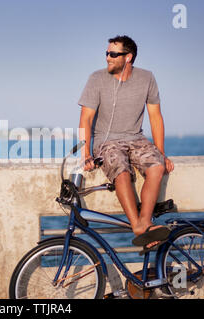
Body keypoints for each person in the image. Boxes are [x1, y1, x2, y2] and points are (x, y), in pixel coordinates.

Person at [78, 35, 175, 253]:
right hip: (106, 141)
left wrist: (161, 153)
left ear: (128, 57)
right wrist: (86, 154)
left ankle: (144, 221)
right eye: (106, 53)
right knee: (121, 171)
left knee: (157, 166)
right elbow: (85, 119)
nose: (107, 58)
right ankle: (140, 227)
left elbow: (156, 117)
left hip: (136, 138)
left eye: (113, 54)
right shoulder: (96, 79)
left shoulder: (147, 78)